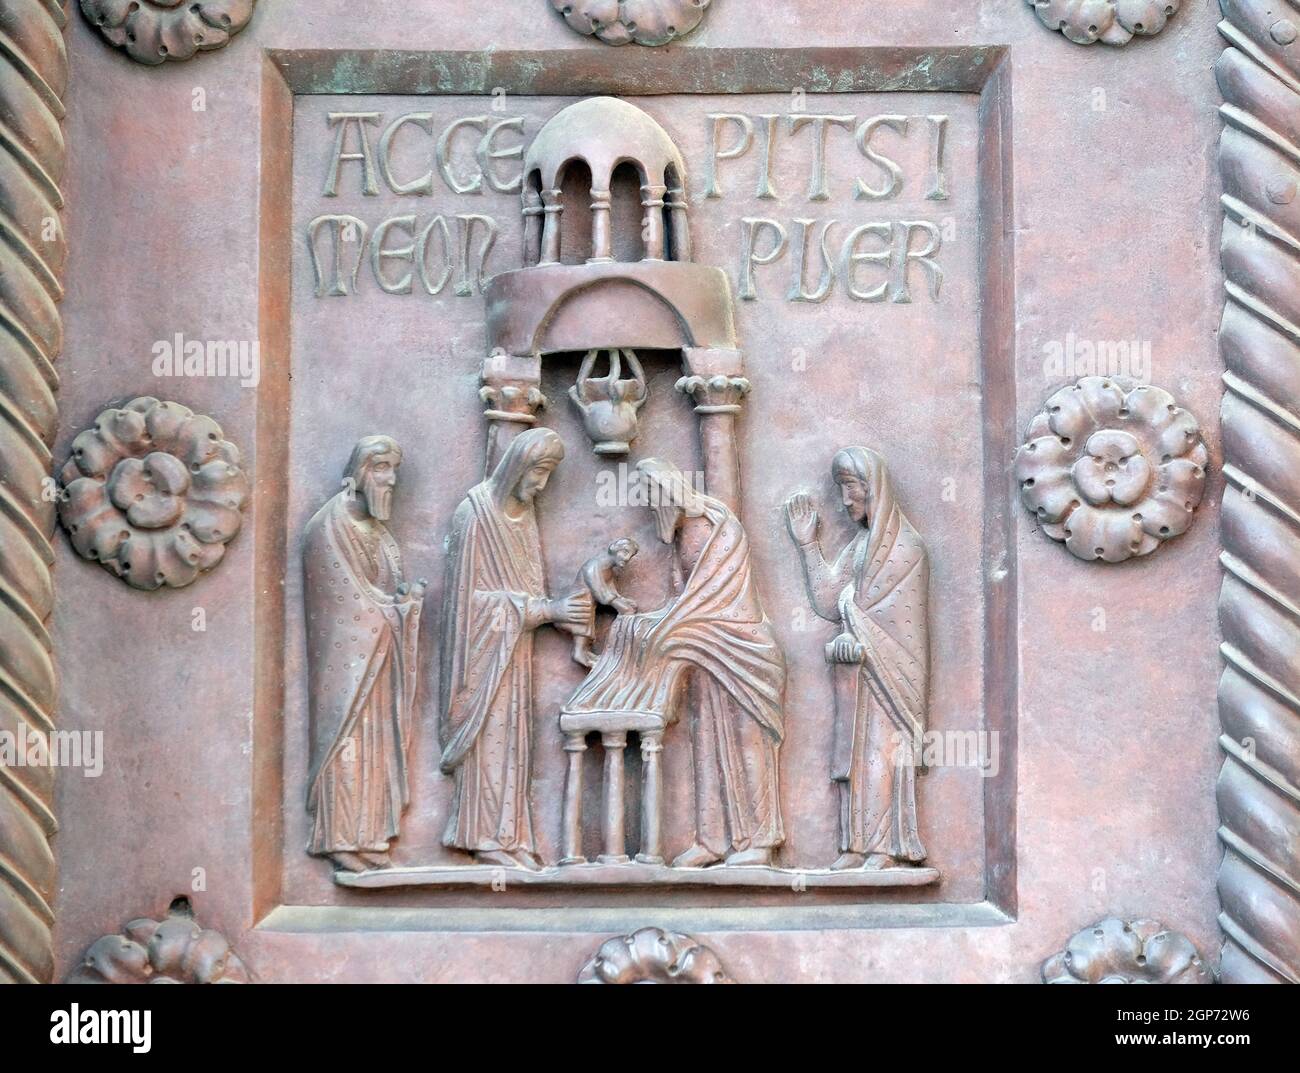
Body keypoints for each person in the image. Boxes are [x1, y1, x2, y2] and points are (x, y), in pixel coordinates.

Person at [564, 458, 786, 867]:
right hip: (702, 649)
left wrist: (656, 627)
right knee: (706, 742)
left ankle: (759, 840)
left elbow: (712, 602)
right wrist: (649, 622)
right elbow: (682, 603)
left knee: (744, 741)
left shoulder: (718, 529)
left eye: (651, 498)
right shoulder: (684, 535)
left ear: (667, 492)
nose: (650, 508)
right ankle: (712, 839)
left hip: (741, 651)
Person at [438, 428, 591, 870]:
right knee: (491, 738)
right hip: (482, 657)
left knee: (514, 743)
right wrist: (547, 610)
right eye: (540, 473)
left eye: (549, 475)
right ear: (519, 466)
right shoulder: (475, 515)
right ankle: (481, 834)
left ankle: (509, 834)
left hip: (515, 653)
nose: (542, 484)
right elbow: (471, 605)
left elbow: (526, 589)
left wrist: (557, 611)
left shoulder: (522, 517)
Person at [785, 446, 929, 870]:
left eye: (850, 489)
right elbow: (832, 602)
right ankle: (855, 844)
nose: (845, 501)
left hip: (892, 676)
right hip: (859, 676)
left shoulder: (908, 548)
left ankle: (885, 848)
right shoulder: (860, 546)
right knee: (854, 754)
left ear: (873, 489)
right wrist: (808, 546)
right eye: (841, 490)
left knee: (881, 754)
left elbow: (895, 620)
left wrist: (857, 628)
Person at [304, 436, 425, 873]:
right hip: (348, 667)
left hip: (379, 662)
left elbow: (382, 591)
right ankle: (339, 838)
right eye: (381, 469)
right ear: (358, 473)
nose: (390, 479)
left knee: (377, 745)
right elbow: (343, 605)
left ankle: (369, 835)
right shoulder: (329, 527)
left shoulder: (379, 533)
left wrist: (405, 604)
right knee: (348, 742)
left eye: (394, 469)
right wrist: (393, 610)